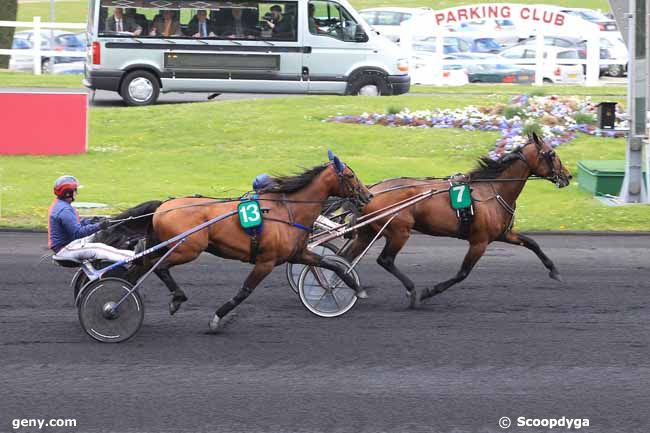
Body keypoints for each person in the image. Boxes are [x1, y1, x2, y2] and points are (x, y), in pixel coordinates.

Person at [48, 176, 135, 263]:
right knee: (99, 248)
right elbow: (78, 233)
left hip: (69, 245)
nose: (76, 193)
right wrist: (99, 226)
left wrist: (93, 220)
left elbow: (76, 222)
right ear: (68, 193)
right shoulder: (64, 210)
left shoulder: (60, 205)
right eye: (75, 190)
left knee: (104, 235)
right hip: (66, 250)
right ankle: (135, 257)